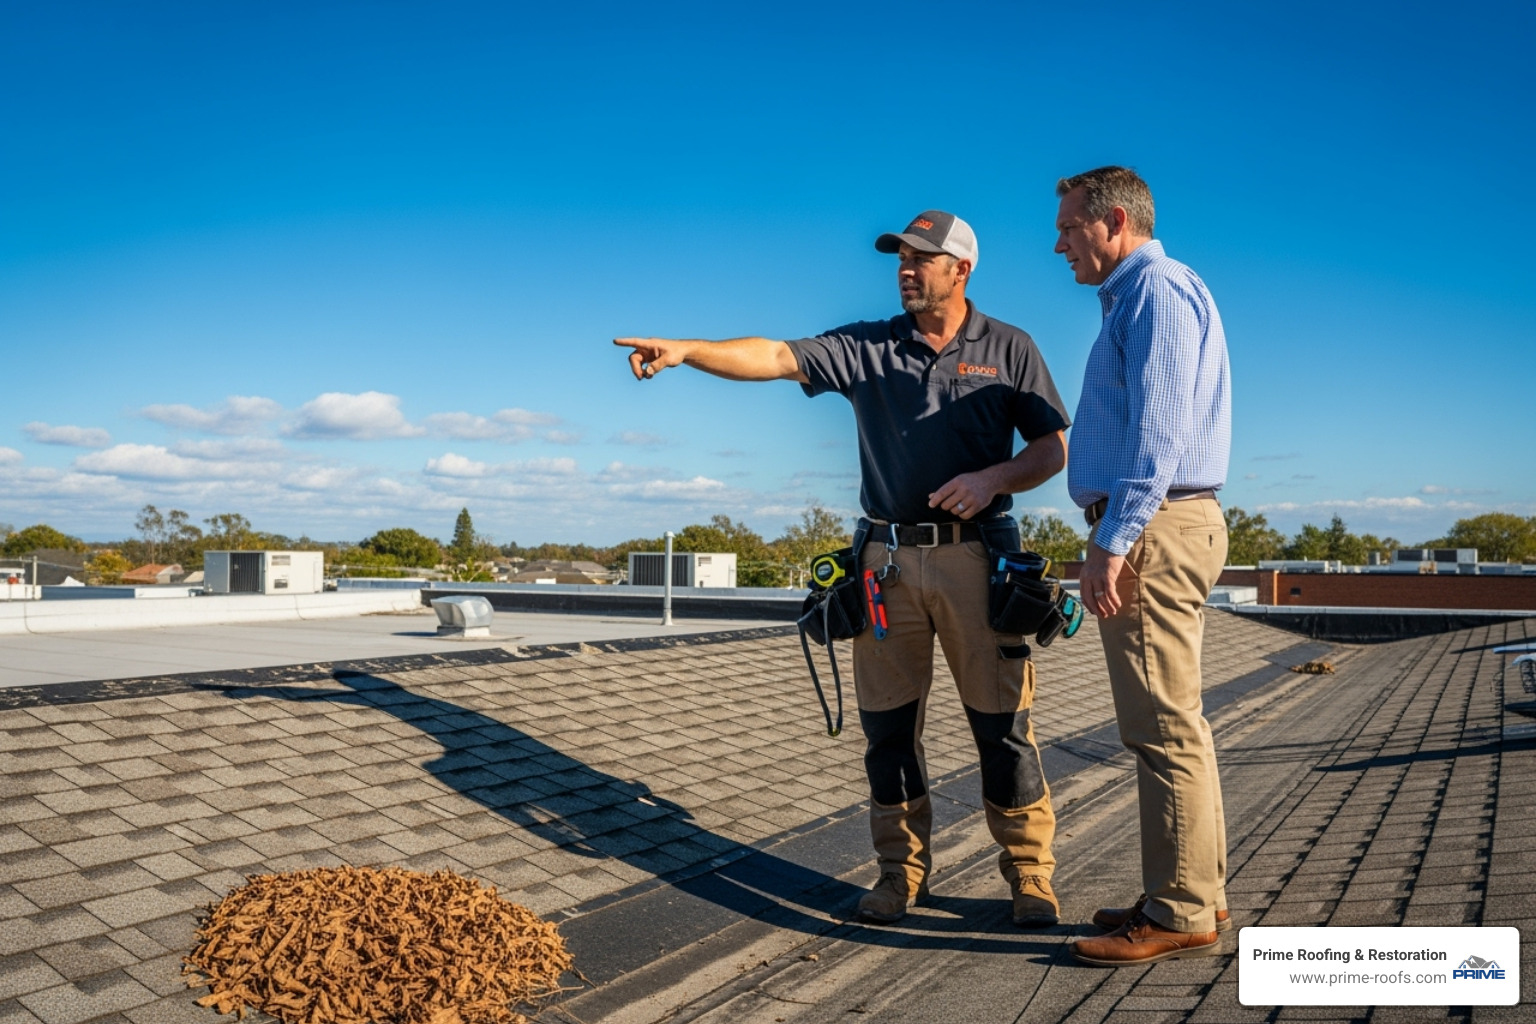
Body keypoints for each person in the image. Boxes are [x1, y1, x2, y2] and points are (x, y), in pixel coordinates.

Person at [614, 211, 1071, 927]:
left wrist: (993, 478)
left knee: (1003, 728)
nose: (906, 269)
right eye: (900, 258)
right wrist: (687, 350)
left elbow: (1053, 449)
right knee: (888, 733)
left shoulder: (1011, 347)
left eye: (923, 257)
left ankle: (1030, 874)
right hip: (885, 564)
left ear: (962, 270)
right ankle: (899, 874)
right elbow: (773, 356)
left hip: (979, 559)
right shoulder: (867, 346)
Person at [1050, 166, 1233, 966]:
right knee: (1175, 723)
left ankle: (1180, 909)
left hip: (1153, 527)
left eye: (1067, 228)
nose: (1058, 244)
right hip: (1167, 523)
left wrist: (1112, 540)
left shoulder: (1153, 290)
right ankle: (1194, 893)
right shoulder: (1147, 293)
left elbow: (1157, 434)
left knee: (1160, 728)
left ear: (1113, 220)